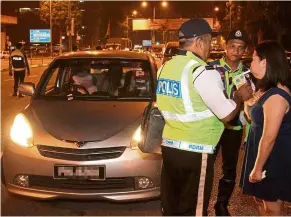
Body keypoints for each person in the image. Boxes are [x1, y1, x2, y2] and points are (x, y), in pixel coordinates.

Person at [156, 18, 253, 216]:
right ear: (200, 42)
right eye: (209, 41)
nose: (210, 47)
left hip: (169, 148)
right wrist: (238, 97)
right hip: (196, 151)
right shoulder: (201, 71)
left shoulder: (164, 68)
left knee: (172, 206)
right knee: (194, 210)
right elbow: (226, 114)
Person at [240, 41, 291, 216]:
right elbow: (253, 120)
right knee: (261, 202)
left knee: (272, 209)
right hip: (262, 154)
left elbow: (269, 137)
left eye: (253, 58)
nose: (250, 63)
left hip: (273, 158)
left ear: (264, 62)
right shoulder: (266, 90)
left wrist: (258, 167)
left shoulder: (277, 95)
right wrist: (248, 100)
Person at [208, 29, 250, 216]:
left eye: (240, 48)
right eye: (232, 46)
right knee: (207, 165)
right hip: (212, 125)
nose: (236, 51)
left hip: (234, 127)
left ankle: (221, 204)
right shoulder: (212, 68)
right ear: (225, 47)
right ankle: (201, 203)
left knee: (230, 168)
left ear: (245, 51)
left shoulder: (249, 73)